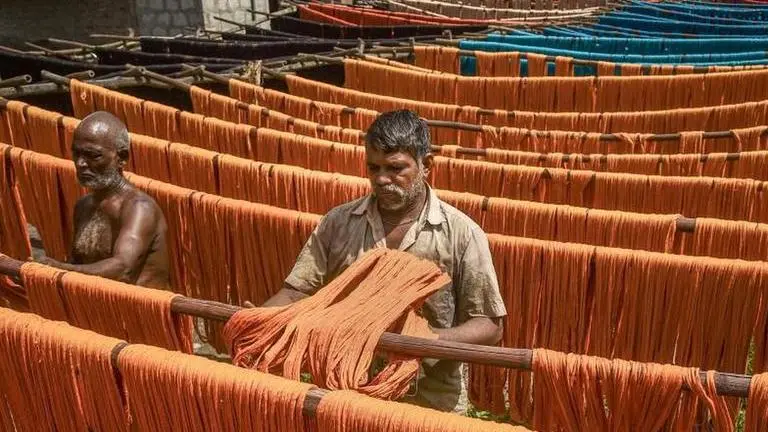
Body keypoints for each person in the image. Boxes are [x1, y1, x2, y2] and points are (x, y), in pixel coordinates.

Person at [262, 110, 507, 414]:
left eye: (395, 169)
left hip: (429, 403)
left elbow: (489, 325)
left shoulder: (461, 233)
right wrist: (259, 320)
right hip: (346, 392)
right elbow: (296, 291)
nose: (381, 179)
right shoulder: (338, 224)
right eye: (373, 167)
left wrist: (424, 341)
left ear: (426, 165)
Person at [35, 111, 169, 290]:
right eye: (77, 154)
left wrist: (56, 268)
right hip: (97, 309)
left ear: (122, 158)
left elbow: (122, 269)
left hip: (139, 313)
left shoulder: (139, 208)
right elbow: (78, 264)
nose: (81, 163)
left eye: (93, 156)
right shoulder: (83, 206)